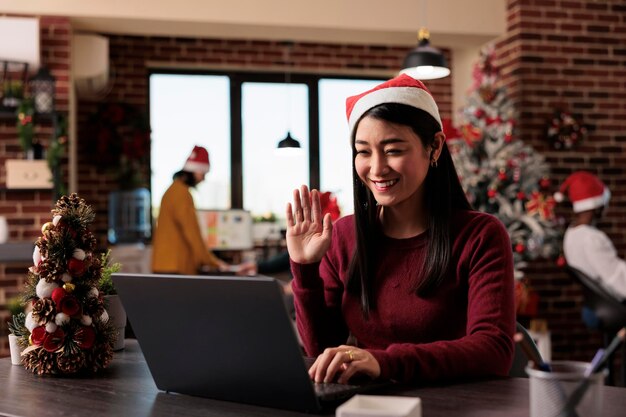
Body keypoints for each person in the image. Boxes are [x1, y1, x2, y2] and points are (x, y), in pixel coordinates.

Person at [285, 74, 515, 385]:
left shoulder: (480, 236)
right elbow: (321, 353)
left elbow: (494, 351)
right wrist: (305, 269)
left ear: (434, 147)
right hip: (367, 406)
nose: (376, 168)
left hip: (455, 405)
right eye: (363, 151)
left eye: (393, 150)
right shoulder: (343, 236)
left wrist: (384, 362)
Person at [152, 145, 250, 275]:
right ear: (194, 171)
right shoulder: (182, 194)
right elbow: (192, 233)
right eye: (203, 173)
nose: (203, 178)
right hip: (175, 267)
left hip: (165, 264)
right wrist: (213, 262)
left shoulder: (172, 191)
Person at [556, 171, 626, 301]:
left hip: (595, 304)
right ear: (598, 206)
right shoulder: (592, 238)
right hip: (612, 305)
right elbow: (615, 277)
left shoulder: (571, 233)